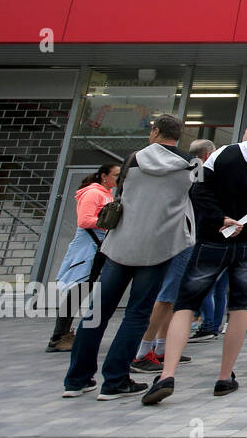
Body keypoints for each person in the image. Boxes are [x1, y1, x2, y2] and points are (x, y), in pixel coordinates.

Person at [141, 116, 247, 405]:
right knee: (239, 305)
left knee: (185, 304)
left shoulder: (223, 154)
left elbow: (200, 190)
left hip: (213, 238)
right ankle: (224, 376)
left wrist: (219, 218)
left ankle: (167, 374)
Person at [62, 115, 198, 399]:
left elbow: (121, 195)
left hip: (121, 244)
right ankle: (114, 381)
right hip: (159, 246)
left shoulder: (133, 159)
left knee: (96, 313)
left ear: (156, 132)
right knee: (137, 314)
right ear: (178, 136)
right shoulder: (190, 164)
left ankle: (77, 380)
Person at [131, 138, 214, 372]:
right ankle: (142, 352)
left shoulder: (143, 163)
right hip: (182, 236)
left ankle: (160, 348)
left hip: (156, 234)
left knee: (169, 296)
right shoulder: (195, 167)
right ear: (206, 156)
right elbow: (202, 199)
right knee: (167, 296)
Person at [47, 163, 118, 352]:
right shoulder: (94, 193)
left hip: (97, 246)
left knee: (82, 289)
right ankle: (58, 336)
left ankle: (62, 334)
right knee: (78, 289)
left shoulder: (106, 193)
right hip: (89, 247)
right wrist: (111, 220)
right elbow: (84, 220)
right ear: (104, 176)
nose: (118, 179)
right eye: (116, 175)